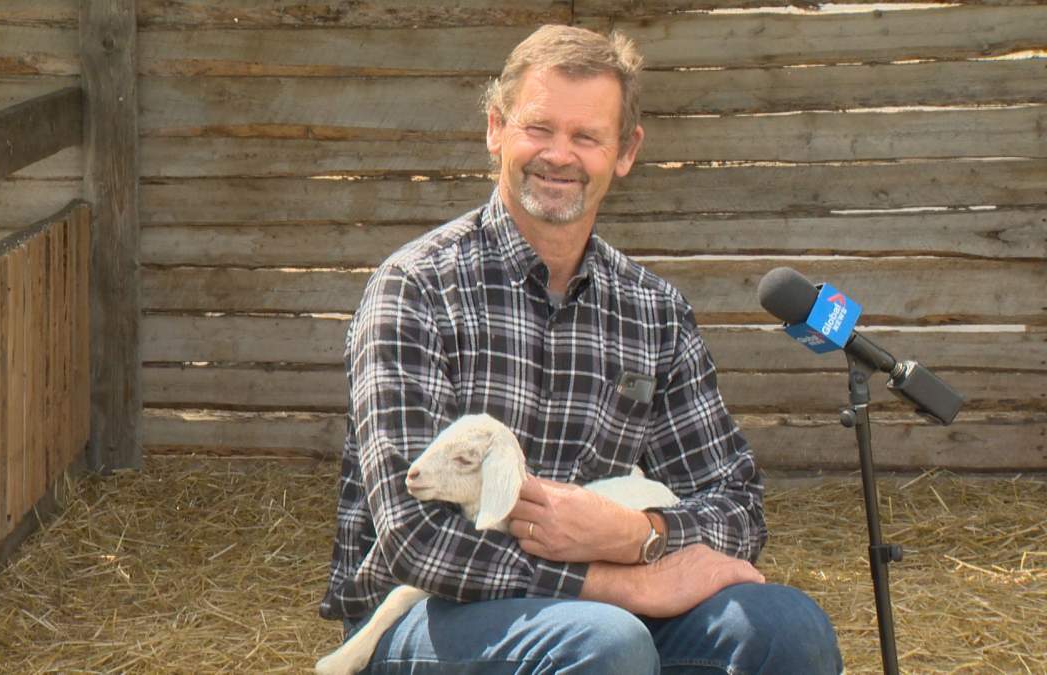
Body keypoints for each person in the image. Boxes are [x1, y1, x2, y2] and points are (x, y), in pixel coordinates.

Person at [320, 24, 843, 673]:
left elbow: (735, 505)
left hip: (606, 610)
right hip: (425, 609)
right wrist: (622, 584)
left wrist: (643, 535)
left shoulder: (654, 309)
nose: (559, 155)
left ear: (625, 152)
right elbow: (413, 535)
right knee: (606, 641)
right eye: (539, 128)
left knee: (789, 628)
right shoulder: (415, 288)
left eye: (586, 137)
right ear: (496, 129)